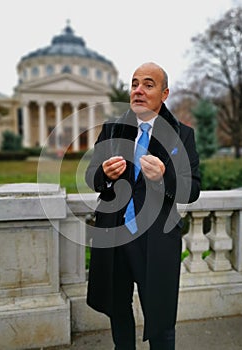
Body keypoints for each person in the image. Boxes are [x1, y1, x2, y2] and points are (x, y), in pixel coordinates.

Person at [85, 62, 201, 350]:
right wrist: (104, 175)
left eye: (148, 85)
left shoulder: (182, 134)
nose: (138, 90)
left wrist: (165, 176)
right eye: (134, 83)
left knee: (160, 320)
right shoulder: (113, 128)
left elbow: (193, 188)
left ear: (164, 94)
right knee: (117, 311)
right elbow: (91, 176)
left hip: (156, 239)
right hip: (114, 236)